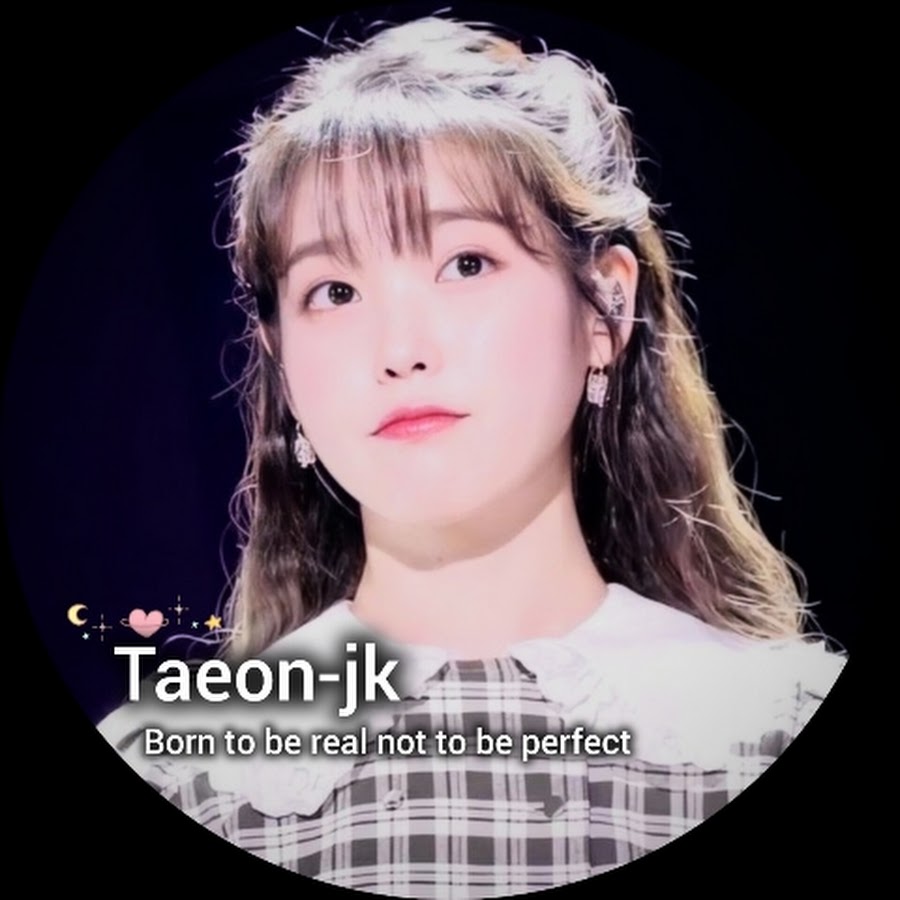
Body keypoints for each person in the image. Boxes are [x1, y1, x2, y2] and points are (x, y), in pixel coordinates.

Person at [99, 15, 845, 896]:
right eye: (334, 290)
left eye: (466, 264)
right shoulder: (178, 770)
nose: (400, 350)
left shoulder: (773, 724)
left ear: (605, 307)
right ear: (282, 363)